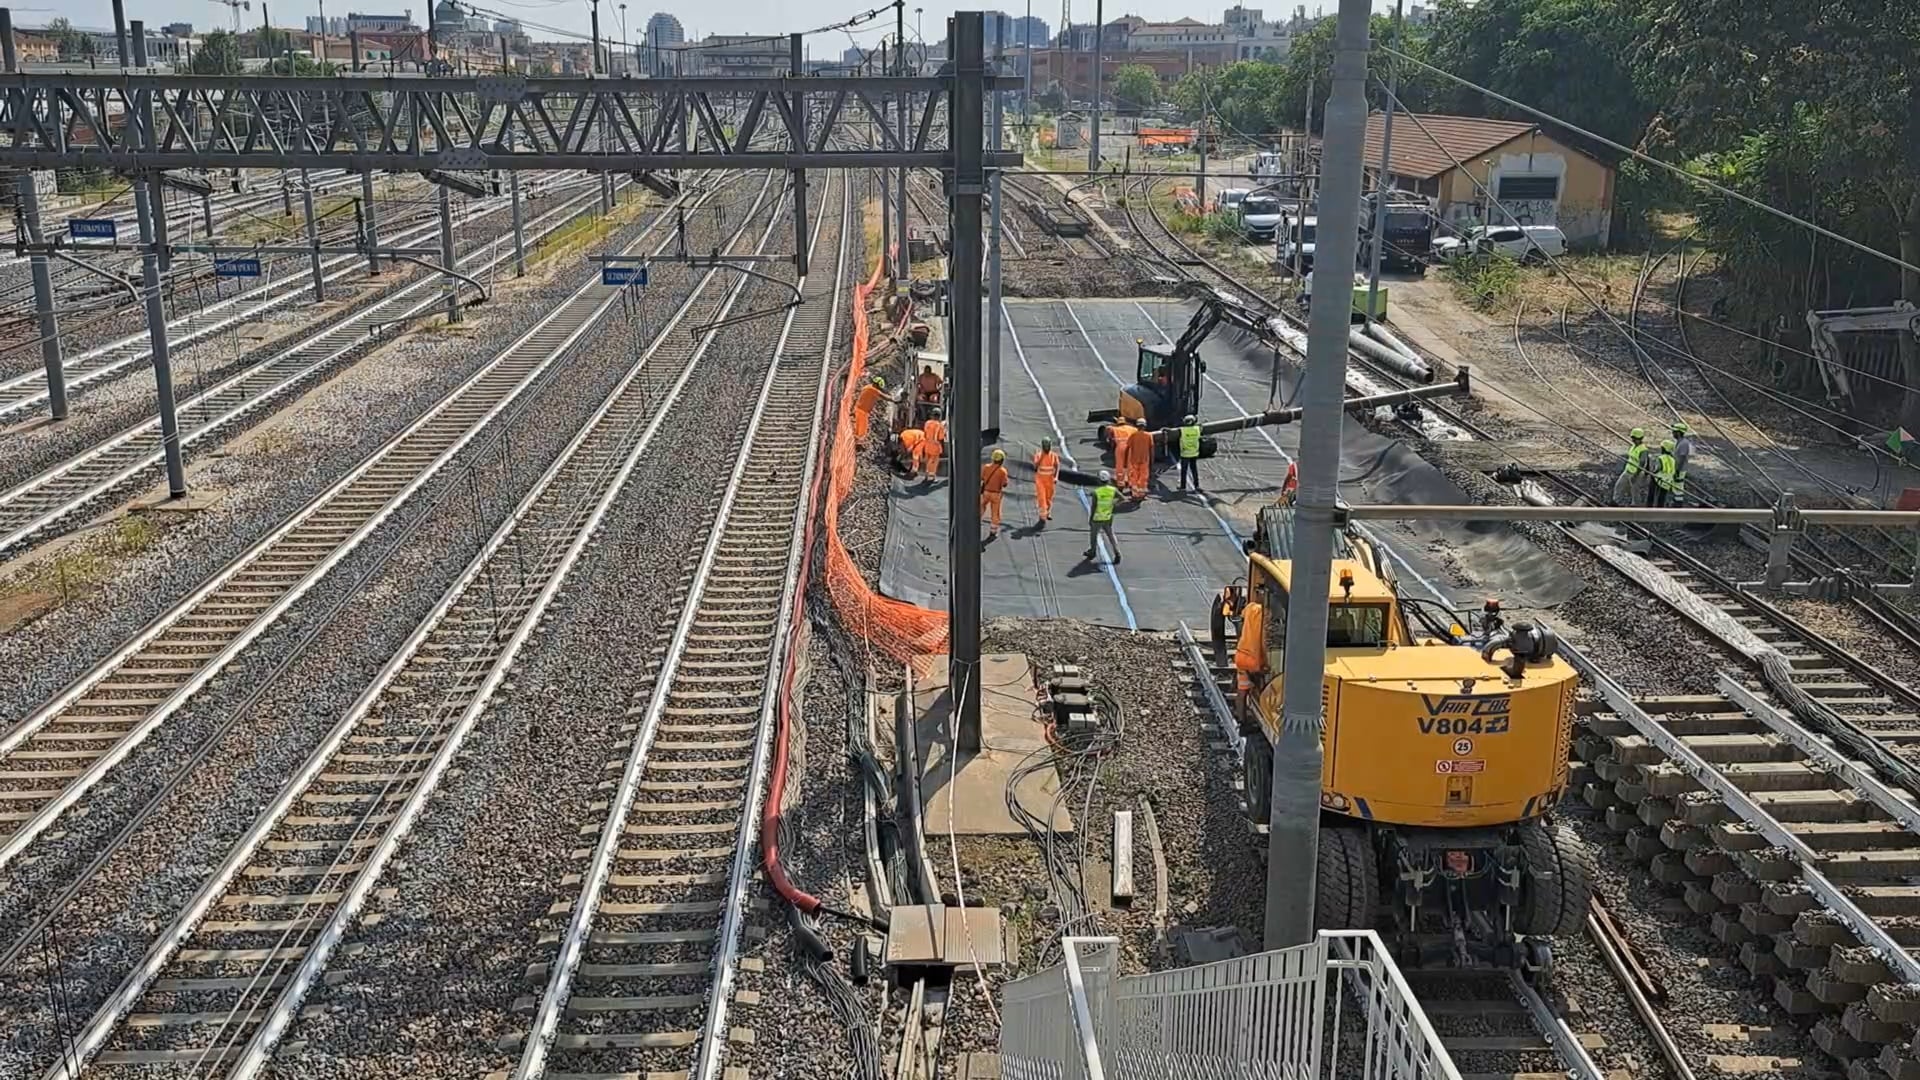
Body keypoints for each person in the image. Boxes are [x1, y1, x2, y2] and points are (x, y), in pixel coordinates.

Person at [1084, 469, 1121, 564]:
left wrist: (1091, 517)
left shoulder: (1097, 492)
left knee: (1093, 536)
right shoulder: (1113, 490)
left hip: (1097, 518)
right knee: (1111, 535)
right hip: (1108, 517)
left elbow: (1094, 506)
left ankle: (1092, 552)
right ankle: (1117, 552)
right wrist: (1113, 506)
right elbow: (1122, 499)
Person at [1612, 427, 1648, 507]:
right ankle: (1616, 503)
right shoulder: (1633, 446)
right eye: (1633, 438)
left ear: (1640, 438)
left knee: (1635, 492)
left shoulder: (1643, 450)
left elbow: (1642, 463)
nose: (1633, 440)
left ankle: (1636, 508)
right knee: (1619, 486)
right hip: (1628, 471)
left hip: (1636, 473)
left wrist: (1635, 475)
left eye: (1635, 438)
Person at [981, 448, 1010, 538]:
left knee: (980, 507)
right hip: (996, 494)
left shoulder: (986, 467)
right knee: (995, 513)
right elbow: (1004, 484)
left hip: (985, 492)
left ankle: (975, 523)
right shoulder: (1003, 471)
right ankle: (993, 531)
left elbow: (982, 478)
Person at [1032, 437, 1060, 523]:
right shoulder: (1038, 455)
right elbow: (1036, 467)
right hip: (1040, 480)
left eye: (1048, 446)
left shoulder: (1054, 456)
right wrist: (1041, 457)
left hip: (1050, 480)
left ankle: (1047, 512)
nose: (1047, 448)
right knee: (1042, 498)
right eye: (1045, 447)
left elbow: (1057, 466)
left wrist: (1056, 477)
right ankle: (1042, 516)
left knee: (1049, 498)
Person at [1109, 419, 1138, 497]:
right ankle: (1131, 483)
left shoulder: (1115, 429)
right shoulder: (1134, 429)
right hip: (1131, 446)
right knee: (1131, 466)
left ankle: (1120, 484)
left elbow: (1108, 431)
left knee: (1120, 465)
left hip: (1121, 446)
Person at [853, 375, 887, 439]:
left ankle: (857, 439)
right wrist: (895, 400)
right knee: (862, 429)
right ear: (876, 384)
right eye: (879, 387)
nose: (879, 389)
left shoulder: (868, 387)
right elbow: (884, 396)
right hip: (862, 411)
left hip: (861, 410)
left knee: (859, 427)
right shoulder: (872, 389)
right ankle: (858, 441)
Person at [1177, 413, 1203, 493]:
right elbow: (1201, 427)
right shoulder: (1197, 429)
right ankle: (1197, 485)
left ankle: (1183, 486)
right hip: (1194, 453)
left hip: (1185, 453)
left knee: (1184, 471)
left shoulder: (1182, 430)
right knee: (1194, 470)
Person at [1670, 421, 1694, 504]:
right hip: (1677, 468)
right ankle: (1676, 501)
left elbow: (1682, 458)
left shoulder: (1684, 443)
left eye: (1674, 432)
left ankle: (1678, 503)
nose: (1673, 433)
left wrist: (1677, 470)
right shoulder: (1680, 442)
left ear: (1679, 433)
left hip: (1680, 469)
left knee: (1678, 486)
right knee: (1676, 485)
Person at [1649, 438, 1677, 508]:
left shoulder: (1661, 458)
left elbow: (1656, 469)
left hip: (1658, 480)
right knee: (1662, 497)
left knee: (1652, 494)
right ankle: (1660, 510)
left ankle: (1649, 508)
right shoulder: (1673, 459)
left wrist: (1651, 471)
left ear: (1664, 448)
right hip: (1667, 481)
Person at [1127, 423, 1154, 499]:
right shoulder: (1149, 435)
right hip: (1144, 460)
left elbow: (1128, 446)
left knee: (1134, 477)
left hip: (1134, 459)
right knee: (1143, 477)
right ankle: (1141, 494)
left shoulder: (1133, 435)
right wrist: (1152, 459)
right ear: (1145, 426)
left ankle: (1135, 494)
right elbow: (1151, 448)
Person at [920, 409, 946, 481]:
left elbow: (925, 433)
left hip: (927, 444)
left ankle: (926, 474)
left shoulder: (927, 423)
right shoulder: (939, 425)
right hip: (935, 446)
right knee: (934, 461)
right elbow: (941, 438)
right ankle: (932, 476)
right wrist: (942, 447)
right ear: (939, 416)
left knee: (927, 460)